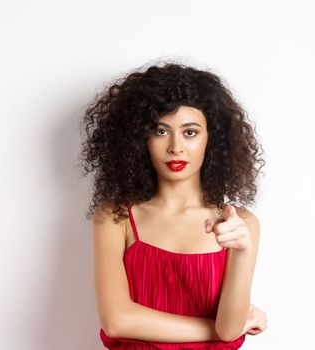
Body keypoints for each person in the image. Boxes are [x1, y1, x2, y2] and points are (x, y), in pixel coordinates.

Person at [79, 61, 268, 349]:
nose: (175, 147)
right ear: (140, 137)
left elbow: (230, 329)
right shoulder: (116, 217)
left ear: (211, 139)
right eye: (161, 131)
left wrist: (242, 252)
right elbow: (117, 320)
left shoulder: (239, 224)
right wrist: (217, 328)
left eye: (190, 132)